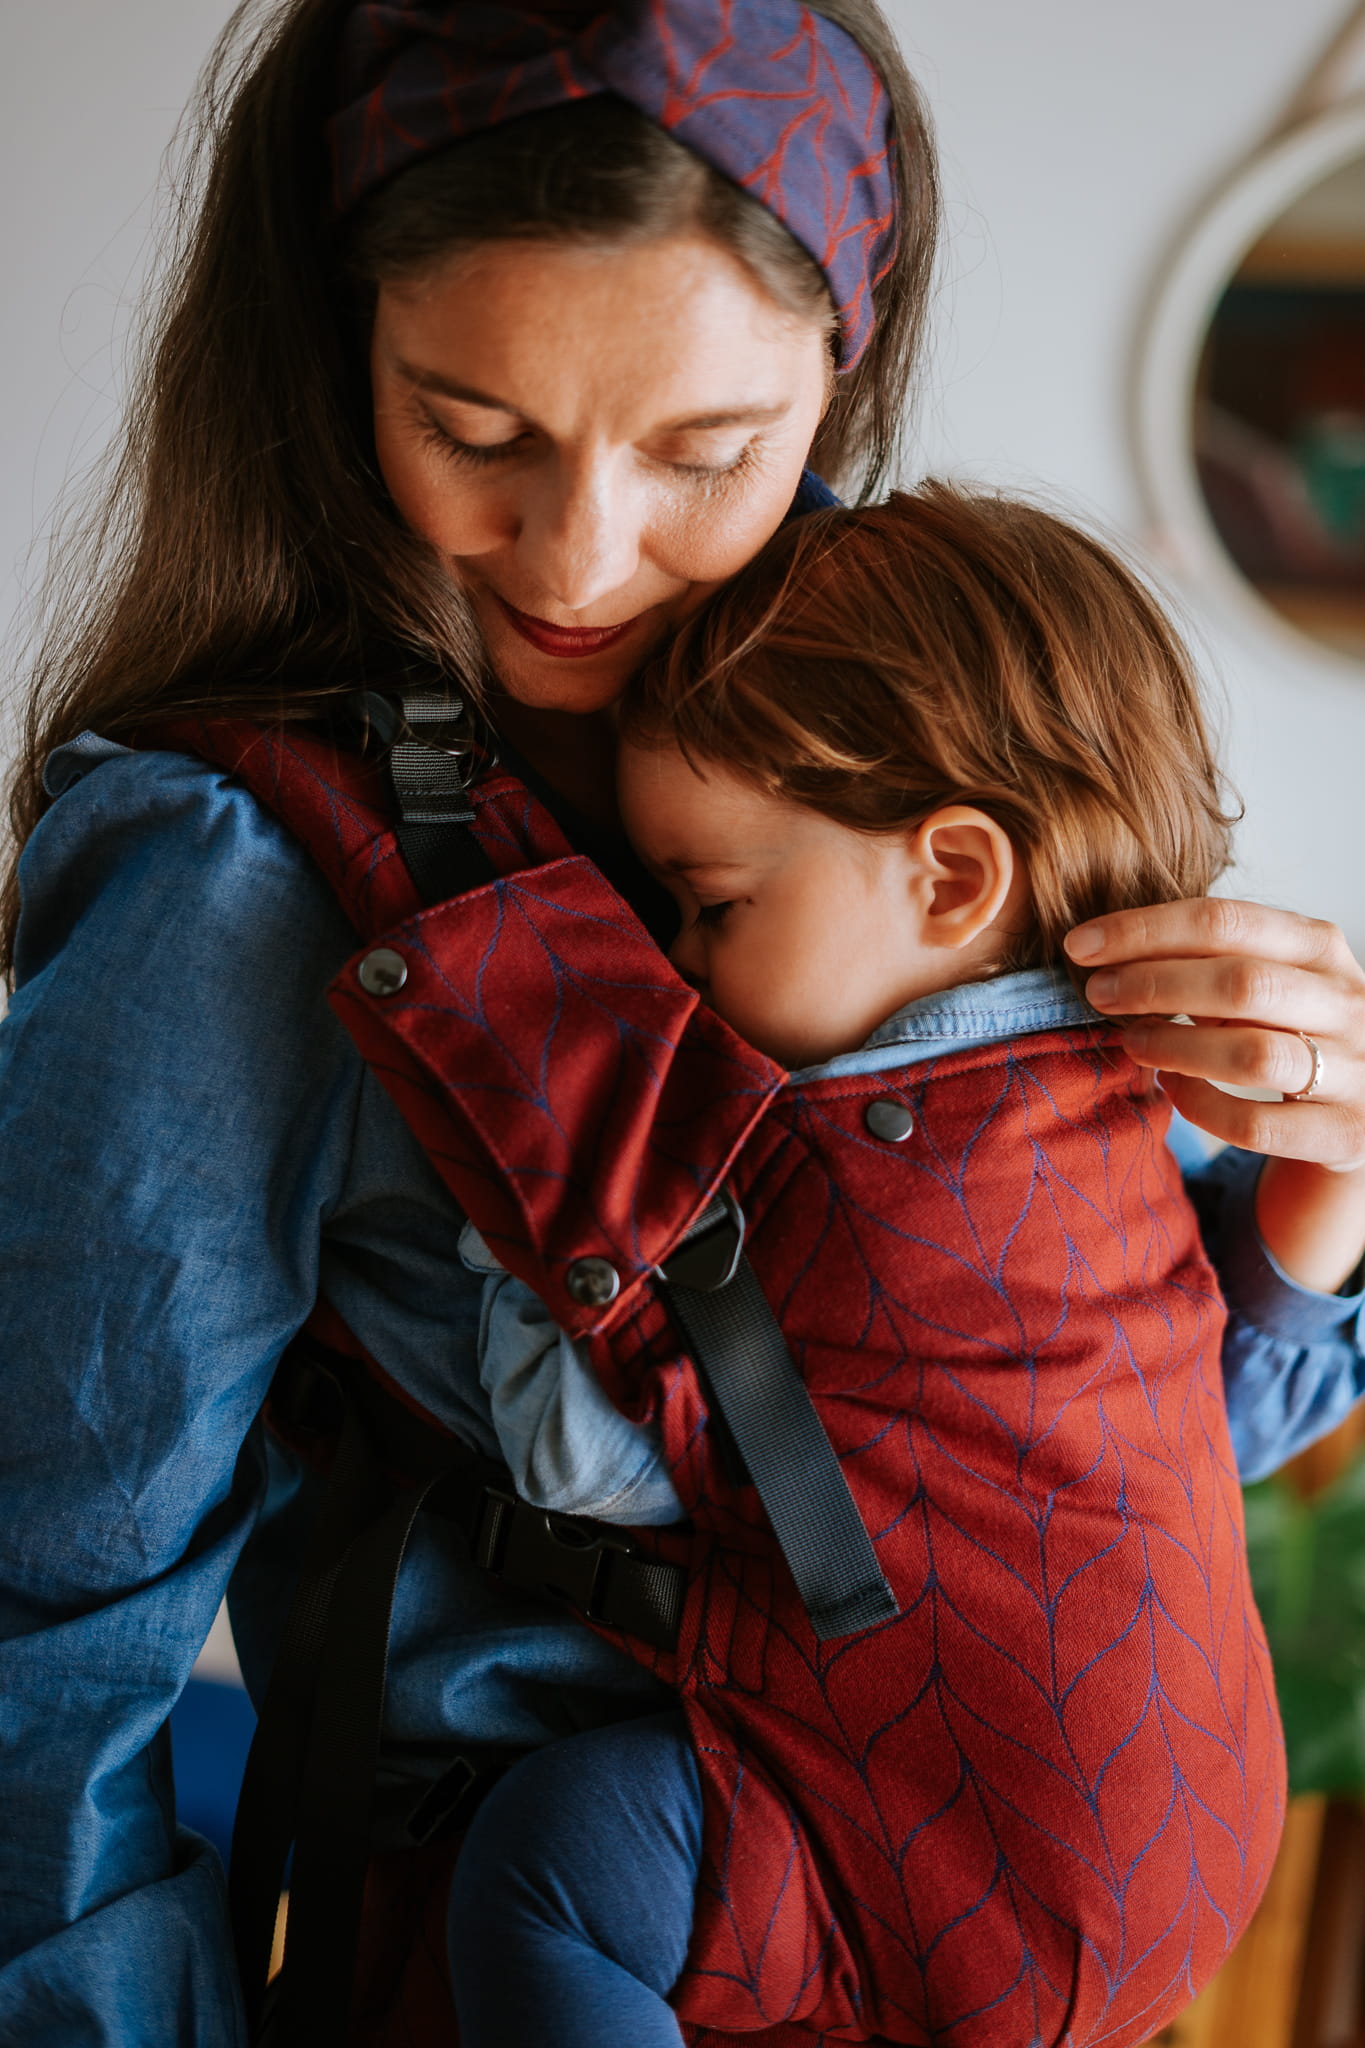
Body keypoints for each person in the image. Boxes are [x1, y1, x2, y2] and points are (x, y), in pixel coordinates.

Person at [1, 2, 1364, 2041]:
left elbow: (1102, 1434)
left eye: (708, 451)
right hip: (550, 1946)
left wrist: (1323, 1177)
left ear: (846, 357)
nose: (581, 561)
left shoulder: (931, 757)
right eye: (475, 431)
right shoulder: (231, 870)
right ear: (335, 350)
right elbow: (52, 1638)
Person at [431, 482, 1286, 2047]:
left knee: (549, 1874)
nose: (680, 965)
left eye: (711, 904)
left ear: (951, 878)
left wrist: (517, 1258)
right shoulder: (1135, 1098)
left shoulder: (817, 1169)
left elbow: (596, 1468)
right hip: (1199, 1839)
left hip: (963, 1869)